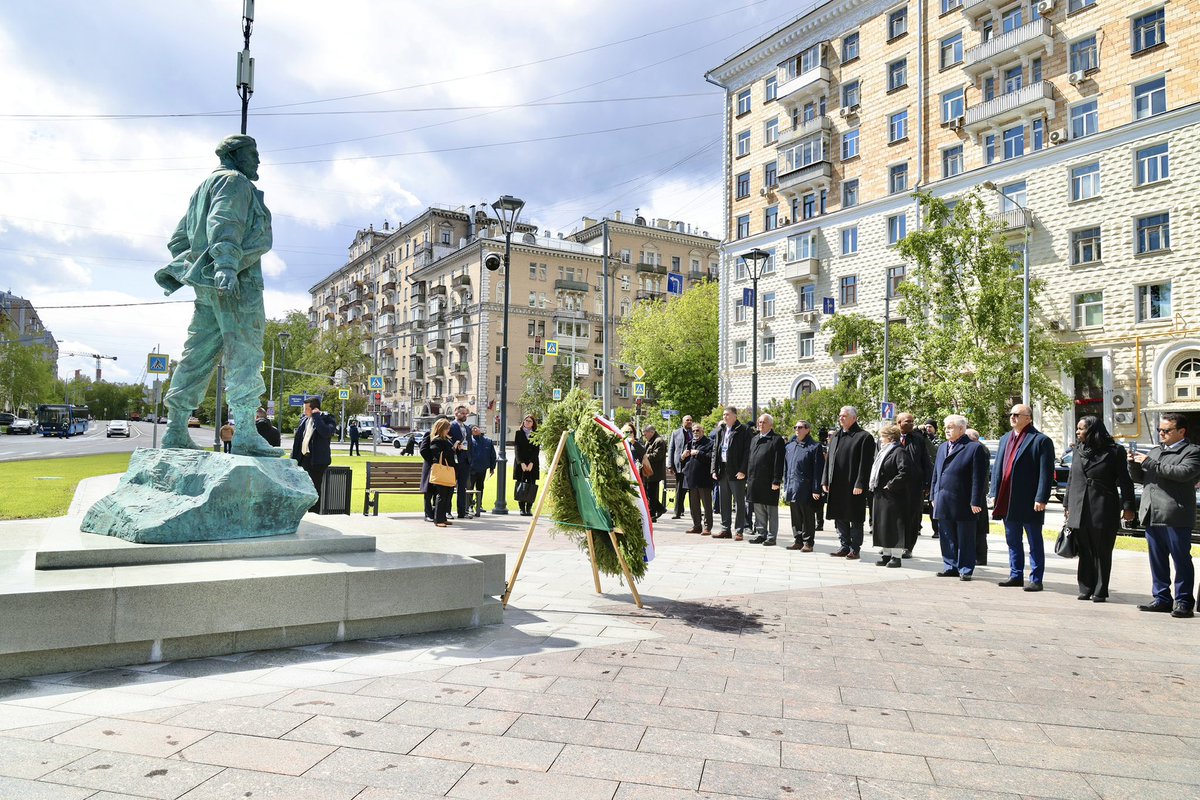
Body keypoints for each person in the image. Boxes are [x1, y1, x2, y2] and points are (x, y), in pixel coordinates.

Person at [154, 134, 279, 458]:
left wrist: (196, 268)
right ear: (237, 155)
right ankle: (247, 434)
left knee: (198, 354)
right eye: (254, 154)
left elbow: (178, 240)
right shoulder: (234, 182)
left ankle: (177, 428)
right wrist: (224, 265)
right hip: (237, 281)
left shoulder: (202, 189)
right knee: (245, 353)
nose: (258, 161)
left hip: (208, 286)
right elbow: (225, 222)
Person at [1128, 412, 1200, 617]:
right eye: (1160, 430)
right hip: (1152, 513)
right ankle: (1161, 598)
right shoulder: (1156, 451)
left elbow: (1183, 473)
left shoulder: (1192, 452)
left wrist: (1149, 462)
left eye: (1166, 430)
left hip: (1175, 514)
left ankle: (1184, 601)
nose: (1161, 433)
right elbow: (1142, 478)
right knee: (1157, 559)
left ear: (1181, 431)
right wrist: (1133, 464)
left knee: (1181, 559)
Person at [1064, 417, 1135, 603]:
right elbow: (1072, 479)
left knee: (1102, 550)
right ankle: (1085, 587)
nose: (1078, 432)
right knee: (1085, 549)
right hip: (1079, 506)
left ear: (1093, 430)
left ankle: (1100, 590)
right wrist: (1067, 505)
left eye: (1081, 429)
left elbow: (1126, 481)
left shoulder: (1114, 451)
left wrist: (1128, 506)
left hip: (1103, 506)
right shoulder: (1078, 450)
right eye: (1077, 429)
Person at [990, 403, 1055, 592]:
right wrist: (993, 493)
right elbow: (998, 470)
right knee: (1012, 539)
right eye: (1011, 414)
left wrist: (1041, 497)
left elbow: (1046, 472)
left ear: (1028, 418)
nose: (1013, 417)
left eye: (1017, 414)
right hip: (1007, 499)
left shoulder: (1040, 440)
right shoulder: (1005, 439)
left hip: (1029, 500)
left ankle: (1036, 578)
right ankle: (1015, 574)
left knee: (1034, 540)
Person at [931, 415, 989, 580]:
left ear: (962, 429)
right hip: (943, 498)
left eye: (950, 427)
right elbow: (937, 473)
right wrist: (934, 495)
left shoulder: (973, 448)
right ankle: (950, 566)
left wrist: (976, 500)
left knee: (965, 537)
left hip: (963, 500)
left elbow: (978, 477)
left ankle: (965, 569)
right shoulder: (942, 447)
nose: (946, 430)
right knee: (946, 535)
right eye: (945, 427)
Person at [822, 406, 875, 559]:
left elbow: (866, 464)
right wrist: (825, 479)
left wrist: (860, 483)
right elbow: (829, 461)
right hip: (837, 484)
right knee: (839, 516)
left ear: (854, 418)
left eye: (844, 416)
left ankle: (855, 548)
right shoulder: (836, 436)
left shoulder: (864, 437)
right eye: (840, 415)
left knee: (854, 517)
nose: (841, 418)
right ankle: (844, 545)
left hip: (853, 485)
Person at [870, 424, 913, 567]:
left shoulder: (899, 451)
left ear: (890, 437)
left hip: (894, 496)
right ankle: (886, 554)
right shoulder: (884, 451)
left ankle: (896, 556)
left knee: (894, 526)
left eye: (882, 436)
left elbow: (905, 471)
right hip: (881, 495)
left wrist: (890, 485)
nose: (880, 439)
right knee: (883, 525)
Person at [746, 414, 787, 546]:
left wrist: (776, 480)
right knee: (758, 509)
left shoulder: (776, 439)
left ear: (771, 425)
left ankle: (771, 536)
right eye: (759, 422)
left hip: (769, 481)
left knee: (771, 511)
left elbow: (778, 461)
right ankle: (761, 533)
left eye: (764, 422)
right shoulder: (754, 439)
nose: (760, 424)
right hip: (754, 480)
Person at [783, 421, 824, 552]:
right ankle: (798, 540)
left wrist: (816, 489)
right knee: (795, 516)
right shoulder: (790, 446)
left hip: (806, 488)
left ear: (807, 430)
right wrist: (786, 486)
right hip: (792, 486)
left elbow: (818, 470)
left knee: (807, 516)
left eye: (800, 427)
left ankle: (808, 542)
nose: (797, 429)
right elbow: (786, 468)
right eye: (795, 427)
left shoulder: (814, 446)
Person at [712, 406, 751, 540]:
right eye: (723, 415)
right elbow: (715, 451)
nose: (725, 417)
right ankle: (725, 529)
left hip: (736, 471)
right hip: (723, 470)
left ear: (735, 416)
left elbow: (747, 452)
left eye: (727, 414)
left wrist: (743, 470)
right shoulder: (721, 430)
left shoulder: (744, 430)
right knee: (724, 502)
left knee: (739, 502)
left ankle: (739, 530)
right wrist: (713, 469)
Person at [896, 412, 932, 558]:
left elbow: (926, 462)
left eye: (912, 421)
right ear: (898, 423)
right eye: (908, 421)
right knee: (894, 516)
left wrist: (928, 484)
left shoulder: (918, 440)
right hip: (894, 486)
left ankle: (908, 547)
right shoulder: (891, 438)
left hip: (914, 486)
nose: (911, 424)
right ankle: (893, 544)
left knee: (912, 518)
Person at [290, 397, 336, 512]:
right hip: (303, 459)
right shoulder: (304, 420)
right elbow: (298, 441)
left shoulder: (327, 419)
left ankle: (314, 512)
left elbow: (325, 432)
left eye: (306, 409)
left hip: (317, 461)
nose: (304, 411)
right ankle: (303, 510)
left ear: (314, 409)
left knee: (314, 488)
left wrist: (316, 417)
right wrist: (293, 459)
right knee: (302, 487)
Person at [420, 418, 457, 527]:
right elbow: (437, 453)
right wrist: (453, 449)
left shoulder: (446, 439)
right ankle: (438, 519)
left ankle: (443, 517)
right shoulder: (436, 439)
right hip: (441, 470)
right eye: (447, 428)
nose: (449, 430)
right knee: (441, 495)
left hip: (448, 470)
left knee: (447, 494)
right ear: (442, 428)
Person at [681, 422, 714, 534]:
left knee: (707, 505)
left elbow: (711, 458)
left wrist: (699, 453)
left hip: (704, 479)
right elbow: (684, 460)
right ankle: (696, 525)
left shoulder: (709, 443)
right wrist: (683, 456)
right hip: (691, 479)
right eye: (693, 431)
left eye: (697, 430)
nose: (695, 432)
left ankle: (707, 527)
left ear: (703, 431)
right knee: (693, 505)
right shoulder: (690, 443)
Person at [964, 428, 990, 566]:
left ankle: (980, 556)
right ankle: (977, 555)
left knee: (979, 527)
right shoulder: (979, 448)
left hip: (978, 494)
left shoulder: (980, 449)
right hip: (977, 492)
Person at [467, 424, 497, 517]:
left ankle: (479, 505)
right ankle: (470, 506)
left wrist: (492, 467)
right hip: (471, 469)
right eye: (472, 428)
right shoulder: (469, 441)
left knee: (480, 487)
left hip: (482, 468)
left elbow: (493, 455)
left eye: (476, 427)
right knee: (470, 487)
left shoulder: (488, 441)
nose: (475, 429)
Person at [668, 415, 694, 519]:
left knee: (693, 490)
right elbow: (671, 449)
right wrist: (670, 465)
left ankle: (694, 513)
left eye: (691, 420)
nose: (689, 422)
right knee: (679, 490)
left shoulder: (694, 432)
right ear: (683, 422)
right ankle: (677, 512)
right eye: (687, 420)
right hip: (680, 464)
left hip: (692, 464)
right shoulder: (676, 433)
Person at [449, 405, 473, 519]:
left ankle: (462, 511)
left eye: (466, 414)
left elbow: (470, 445)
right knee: (449, 486)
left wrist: (470, 458)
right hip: (453, 460)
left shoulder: (468, 428)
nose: (464, 415)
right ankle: (447, 511)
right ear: (456, 413)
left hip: (465, 460)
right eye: (462, 413)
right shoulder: (450, 426)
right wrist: (455, 446)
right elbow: (447, 441)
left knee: (462, 487)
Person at [514, 414, 540, 516]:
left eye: (530, 421)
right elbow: (517, 449)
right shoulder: (518, 433)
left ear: (533, 423)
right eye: (526, 420)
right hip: (521, 464)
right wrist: (522, 463)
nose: (527, 422)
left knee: (531, 485)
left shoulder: (536, 434)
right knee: (521, 485)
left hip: (532, 464)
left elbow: (536, 450)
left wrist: (531, 463)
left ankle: (529, 508)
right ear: (523, 422)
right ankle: (521, 508)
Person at [642, 426, 668, 521]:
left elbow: (657, 456)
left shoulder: (659, 441)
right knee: (649, 493)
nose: (644, 435)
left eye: (645, 433)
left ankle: (653, 514)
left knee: (652, 494)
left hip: (654, 472)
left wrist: (645, 456)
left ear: (651, 432)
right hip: (649, 472)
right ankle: (660, 508)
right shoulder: (650, 441)